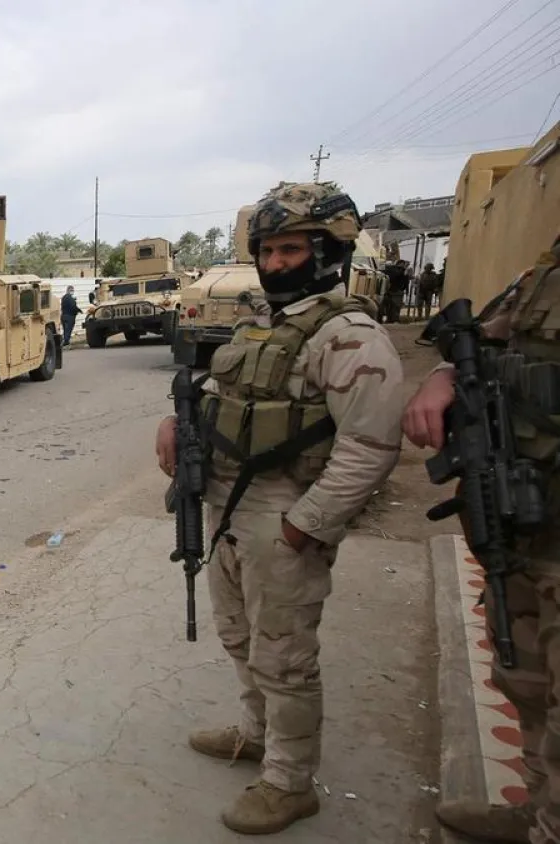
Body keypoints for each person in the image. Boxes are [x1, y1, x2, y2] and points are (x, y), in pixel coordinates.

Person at [154, 182, 405, 834]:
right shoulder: (268, 324)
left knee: (285, 656)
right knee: (240, 636)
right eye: (266, 249)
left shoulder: (350, 337)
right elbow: (226, 392)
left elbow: (369, 449)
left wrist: (304, 526)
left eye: (290, 248)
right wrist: (175, 424)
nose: (274, 263)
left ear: (328, 250)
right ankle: (257, 732)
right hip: (228, 506)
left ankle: (291, 783)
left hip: (286, 507)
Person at [403, 230, 560, 844]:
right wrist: (443, 374)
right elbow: (489, 332)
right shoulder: (543, 272)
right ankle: (540, 811)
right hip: (528, 515)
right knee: (525, 678)